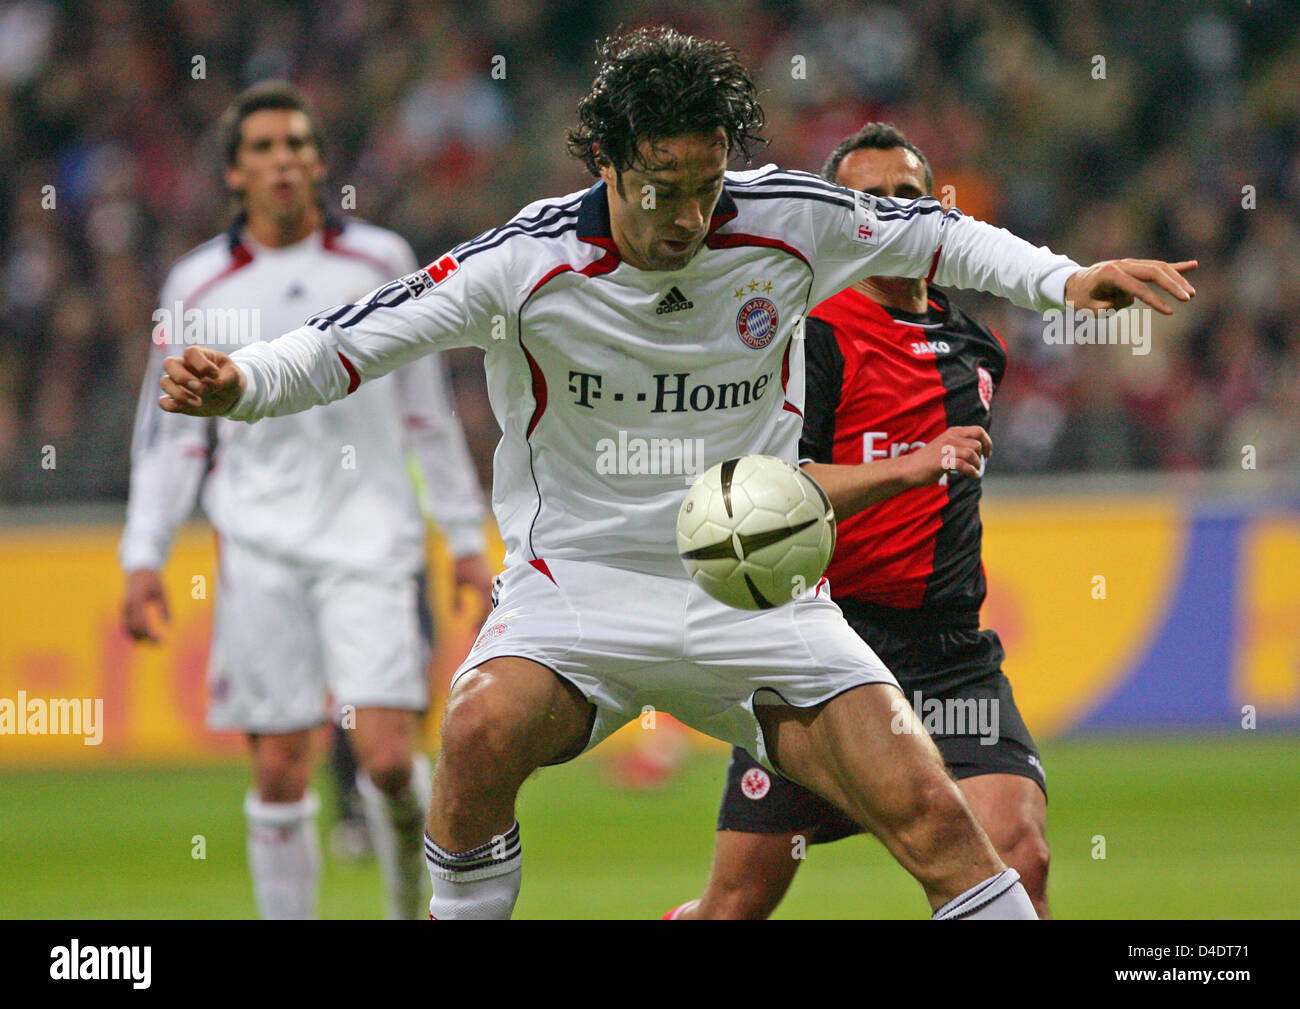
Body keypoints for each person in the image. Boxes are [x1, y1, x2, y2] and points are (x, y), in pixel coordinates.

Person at [154, 29, 1196, 920]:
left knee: (935, 816)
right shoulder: (525, 261)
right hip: (577, 590)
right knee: (473, 736)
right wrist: (239, 380)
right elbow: (354, 341)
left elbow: (938, 234)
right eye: (662, 189)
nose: (688, 217)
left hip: (755, 591)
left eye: (704, 187)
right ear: (605, 163)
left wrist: (1068, 279)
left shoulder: (784, 220)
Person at [120, 81, 492, 920]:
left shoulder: (381, 259)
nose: (283, 159)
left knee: (390, 760)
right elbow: (170, 432)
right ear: (232, 173)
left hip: (372, 537)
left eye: (297, 143)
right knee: (281, 766)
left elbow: (425, 409)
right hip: (258, 546)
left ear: (321, 162)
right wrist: (143, 555)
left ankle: (408, 909)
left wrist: (465, 535)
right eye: (262, 148)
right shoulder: (197, 281)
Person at [669, 123, 1052, 920]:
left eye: (909, 197)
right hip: (828, 651)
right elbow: (776, 487)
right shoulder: (809, 333)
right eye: (869, 200)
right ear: (843, 216)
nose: (893, 213)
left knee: (1020, 855)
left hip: (950, 654)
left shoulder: (974, 347)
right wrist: (912, 463)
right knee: (734, 905)